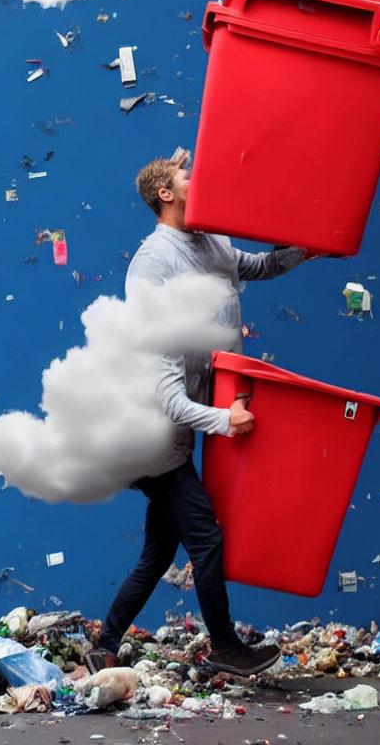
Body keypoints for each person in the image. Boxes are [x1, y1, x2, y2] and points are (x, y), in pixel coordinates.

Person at [86, 150, 307, 677]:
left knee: (158, 552)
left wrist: (307, 251)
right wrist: (223, 420)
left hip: (178, 430)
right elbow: (163, 393)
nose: (196, 176)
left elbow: (256, 267)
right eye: (186, 174)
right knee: (205, 539)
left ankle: (105, 642)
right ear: (166, 194)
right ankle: (226, 648)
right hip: (150, 432)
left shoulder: (212, 239)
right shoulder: (152, 264)